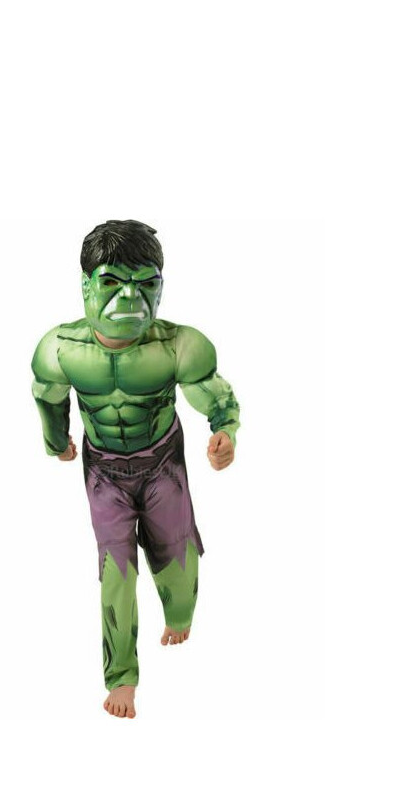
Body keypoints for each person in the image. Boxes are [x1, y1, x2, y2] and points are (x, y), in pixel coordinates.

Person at [31, 220, 240, 718]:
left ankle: (179, 615)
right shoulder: (61, 349)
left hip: (162, 461)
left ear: (160, 287)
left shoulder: (177, 346)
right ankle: (121, 676)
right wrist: (57, 442)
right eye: (112, 282)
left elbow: (216, 397)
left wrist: (225, 434)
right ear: (86, 286)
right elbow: (48, 397)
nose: (130, 297)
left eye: (145, 283)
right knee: (116, 570)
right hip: (104, 470)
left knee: (176, 555)